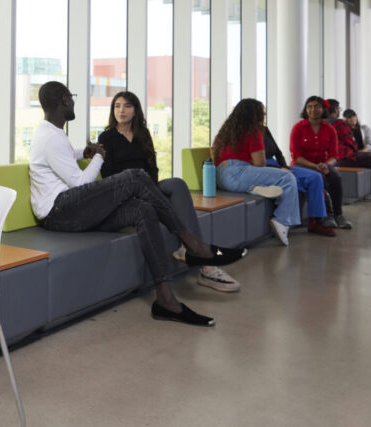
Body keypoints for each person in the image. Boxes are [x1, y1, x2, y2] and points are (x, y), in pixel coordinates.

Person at [31, 81, 244, 328]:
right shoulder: (50, 138)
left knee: (143, 210)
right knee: (135, 176)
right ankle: (195, 245)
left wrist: (84, 153)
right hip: (59, 210)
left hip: (71, 209)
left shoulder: (54, 134)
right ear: (65, 100)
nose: (74, 101)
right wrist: (99, 155)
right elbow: (79, 183)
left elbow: (63, 157)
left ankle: (166, 300)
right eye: (72, 96)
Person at [97, 91, 241, 292]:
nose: (121, 110)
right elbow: (108, 176)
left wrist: (152, 190)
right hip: (125, 194)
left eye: (127, 106)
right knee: (166, 201)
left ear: (135, 110)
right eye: (117, 106)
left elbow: (153, 168)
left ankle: (189, 250)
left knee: (177, 184)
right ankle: (206, 265)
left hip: (148, 187)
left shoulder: (143, 134)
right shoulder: (106, 137)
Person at [210, 99, 299, 246]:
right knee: (288, 177)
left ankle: (255, 188)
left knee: (270, 179)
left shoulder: (225, 131)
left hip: (221, 177)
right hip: (238, 172)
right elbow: (260, 163)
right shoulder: (253, 131)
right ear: (255, 115)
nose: (264, 114)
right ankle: (282, 221)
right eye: (262, 112)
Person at [290, 96, 352, 230]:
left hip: (323, 164)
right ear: (306, 110)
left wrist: (327, 164)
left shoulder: (329, 129)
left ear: (323, 109)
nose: (313, 109)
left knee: (335, 176)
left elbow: (334, 155)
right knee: (320, 178)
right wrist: (315, 166)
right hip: (302, 165)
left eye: (317, 106)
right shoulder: (298, 128)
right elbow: (296, 156)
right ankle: (327, 215)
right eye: (310, 106)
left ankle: (338, 215)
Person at [262, 127, 336, 236]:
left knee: (316, 177)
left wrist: (283, 166)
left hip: (277, 165)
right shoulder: (242, 132)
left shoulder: (264, 130)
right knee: (297, 183)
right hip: (264, 168)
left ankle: (315, 221)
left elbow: (278, 152)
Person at [326, 100, 371, 204]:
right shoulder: (339, 123)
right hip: (345, 158)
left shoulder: (322, 123)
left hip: (332, 159)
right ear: (335, 110)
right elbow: (350, 143)